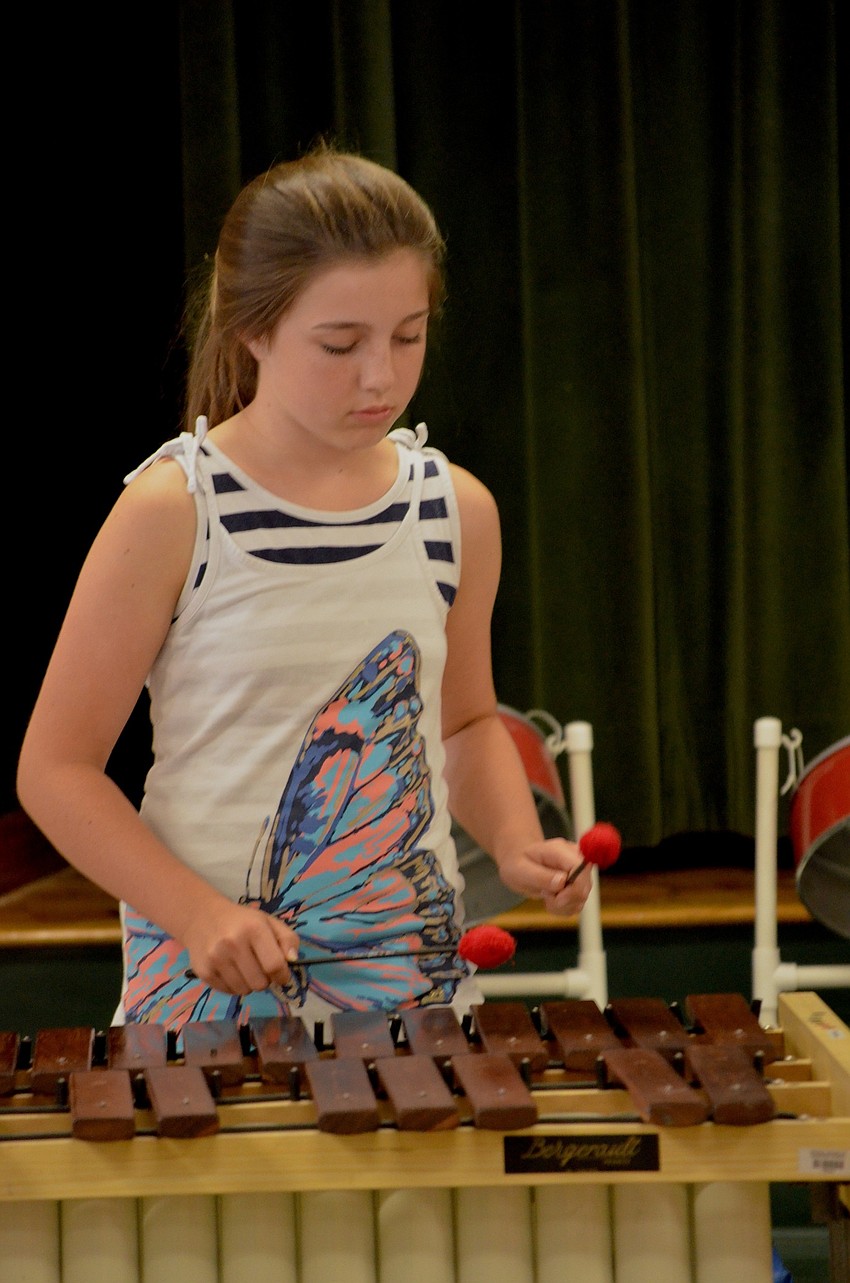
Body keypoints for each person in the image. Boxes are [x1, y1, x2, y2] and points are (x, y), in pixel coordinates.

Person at [17, 144, 590, 1035]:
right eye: (340, 343)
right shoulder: (177, 508)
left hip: (402, 980)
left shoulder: (455, 509)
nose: (380, 376)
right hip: (201, 991)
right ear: (252, 326)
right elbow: (54, 770)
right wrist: (199, 913)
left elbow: (465, 722)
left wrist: (516, 843)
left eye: (408, 334)